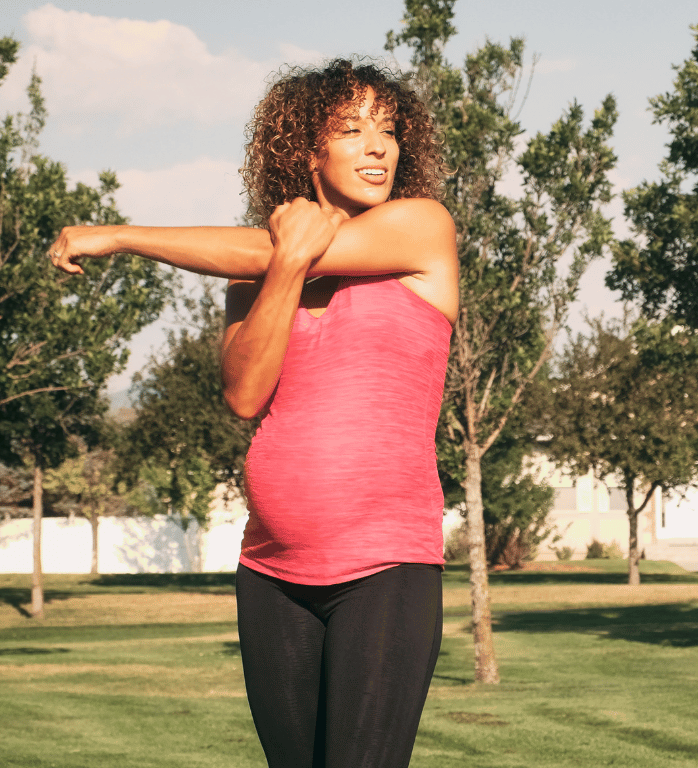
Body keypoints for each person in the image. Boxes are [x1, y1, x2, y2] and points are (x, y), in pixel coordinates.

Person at [49, 58, 458, 768]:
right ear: (307, 151)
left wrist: (117, 235)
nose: (376, 147)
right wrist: (286, 268)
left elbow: (254, 248)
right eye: (352, 129)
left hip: (385, 565)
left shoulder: (421, 228)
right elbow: (244, 393)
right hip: (272, 572)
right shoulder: (259, 268)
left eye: (388, 131)